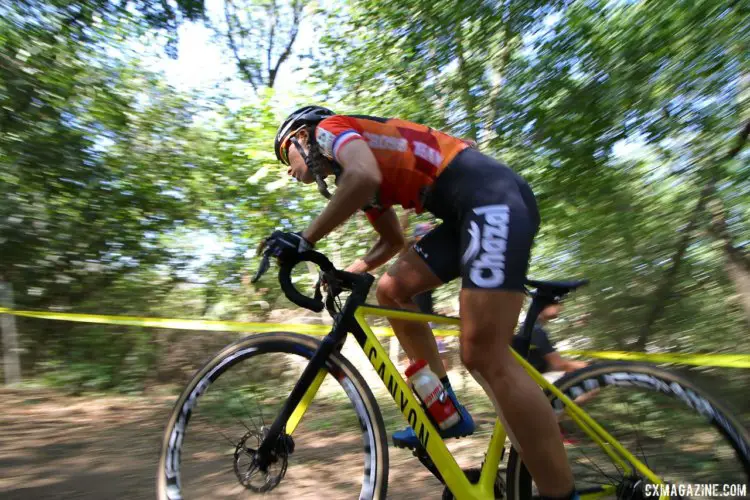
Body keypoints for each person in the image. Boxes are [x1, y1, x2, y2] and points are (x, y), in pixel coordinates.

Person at [264, 106, 578, 500]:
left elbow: (364, 176)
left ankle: (561, 495)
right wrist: (348, 270)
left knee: (483, 354)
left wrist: (305, 240)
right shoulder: (357, 171)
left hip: (489, 197)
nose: (288, 169)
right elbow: (392, 241)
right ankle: (442, 405)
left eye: (283, 155)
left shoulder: (331, 129)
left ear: (301, 137)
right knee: (392, 290)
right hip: (467, 210)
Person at [512, 302, 588, 380]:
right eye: (556, 303)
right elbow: (559, 364)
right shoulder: (535, 330)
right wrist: (585, 366)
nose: (560, 307)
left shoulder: (532, 328)